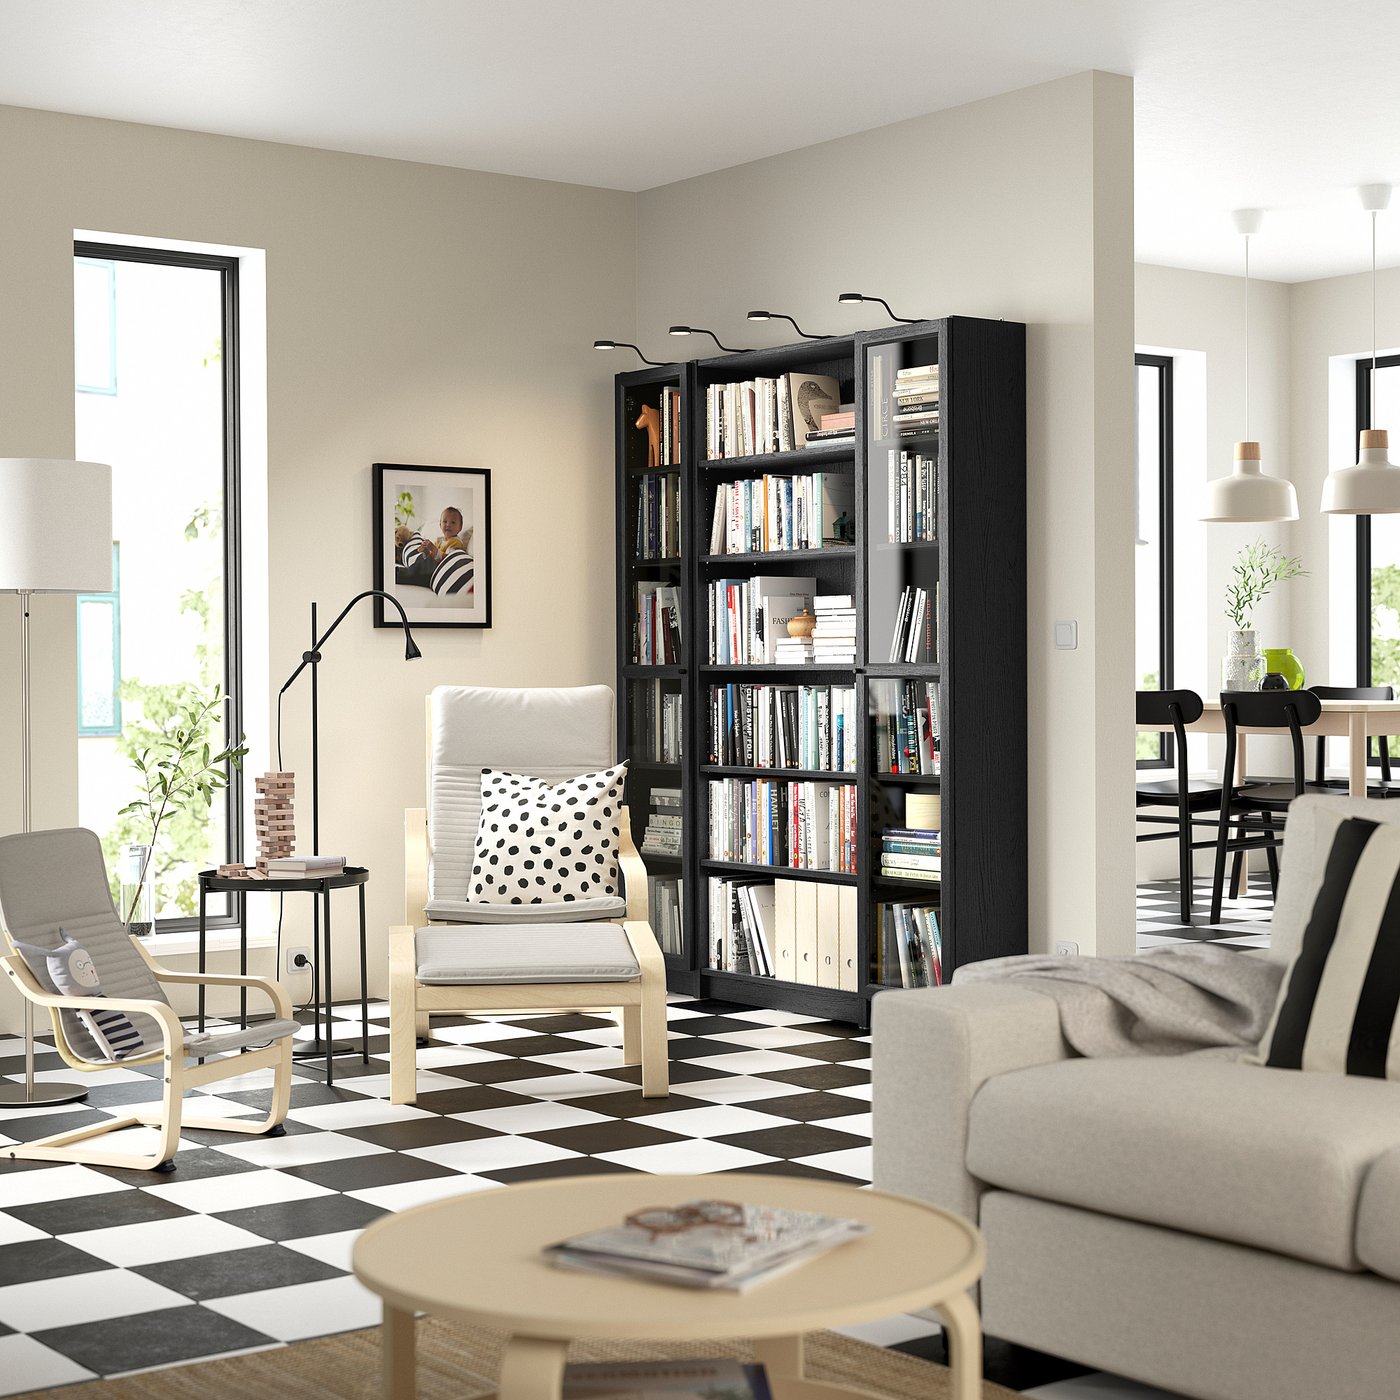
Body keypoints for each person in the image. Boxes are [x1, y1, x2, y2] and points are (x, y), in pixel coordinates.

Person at [396, 505, 472, 589]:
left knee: (419, 569)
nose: (448, 525)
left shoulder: (455, 542)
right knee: (421, 561)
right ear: (440, 525)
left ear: (460, 527)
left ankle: (401, 574)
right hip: (428, 565)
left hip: (435, 570)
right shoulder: (440, 540)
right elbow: (431, 555)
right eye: (445, 522)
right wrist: (426, 551)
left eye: (453, 522)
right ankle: (403, 571)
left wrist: (433, 549)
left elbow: (448, 560)